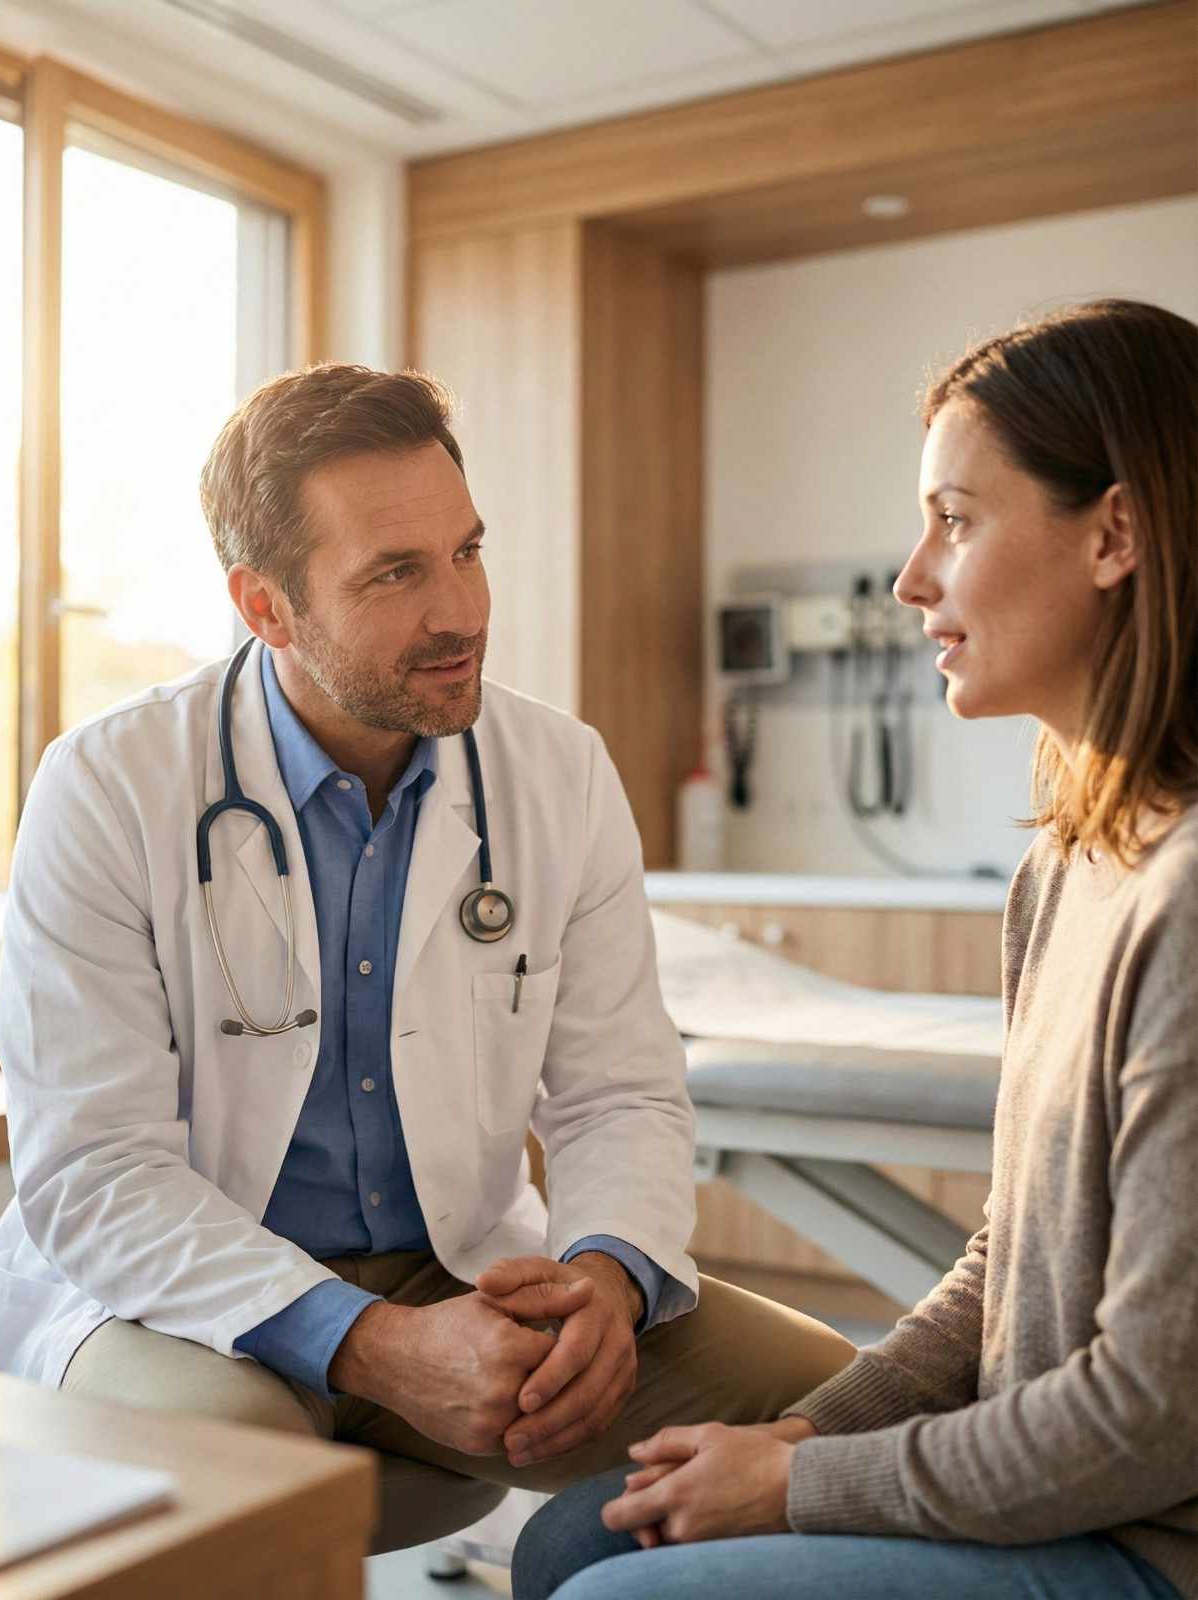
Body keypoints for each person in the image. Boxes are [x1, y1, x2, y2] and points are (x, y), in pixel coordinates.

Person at [0, 364, 853, 1552]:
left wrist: (606, 1275)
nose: (462, 610)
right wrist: (369, 1343)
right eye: (395, 573)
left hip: (456, 1270)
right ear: (265, 605)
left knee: (837, 1408)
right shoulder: (110, 785)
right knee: (233, 1484)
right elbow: (95, 1170)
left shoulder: (559, 771)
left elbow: (620, 1088)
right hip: (177, 1301)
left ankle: (586, 1572)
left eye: (467, 551)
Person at [512, 298, 1198, 1600]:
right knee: (571, 1537)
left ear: (1113, 533)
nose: (910, 579)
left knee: (612, 1596)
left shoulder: (1186, 901)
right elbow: (1007, 1258)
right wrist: (804, 1437)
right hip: (1053, 1498)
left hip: (1151, 1549)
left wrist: (793, 1486)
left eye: (956, 518)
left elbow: (1156, 1413)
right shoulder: (1066, 869)